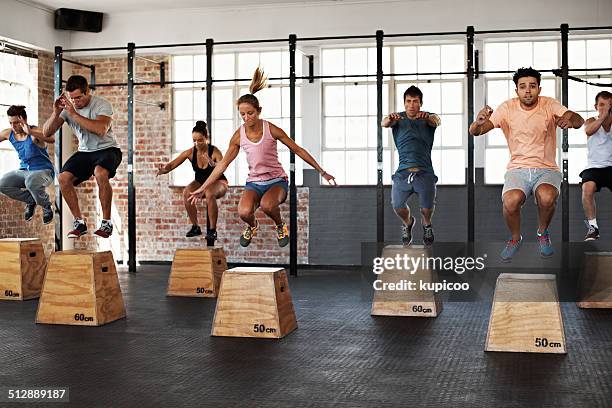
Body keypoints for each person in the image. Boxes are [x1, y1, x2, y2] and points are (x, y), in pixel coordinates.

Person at [189, 68, 336, 247]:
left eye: (250, 113)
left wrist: (323, 172)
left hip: (276, 181)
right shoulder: (238, 136)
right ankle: (252, 226)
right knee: (243, 212)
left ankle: (280, 226)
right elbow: (222, 166)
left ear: (258, 111)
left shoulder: (271, 129)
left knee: (267, 206)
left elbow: (298, 149)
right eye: (242, 114)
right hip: (254, 183)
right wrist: (203, 187)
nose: (246, 117)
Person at [469, 67, 584, 261]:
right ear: (517, 90)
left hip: (546, 169)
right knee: (511, 201)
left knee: (547, 197)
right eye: (522, 87)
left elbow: (578, 120)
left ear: (539, 88)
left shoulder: (549, 105)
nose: (528, 90)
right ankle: (515, 238)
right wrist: (478, 122)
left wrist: (568, 118)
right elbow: (476, 132)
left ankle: (542, 232)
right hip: (518, 169)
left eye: (532, 86)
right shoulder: (507, 108)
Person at [42, 75, 122, 239]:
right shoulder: (68, 109)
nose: (76, 101)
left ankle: (106, 223)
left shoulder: (101, 104)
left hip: (108, 149)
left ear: (87, 92)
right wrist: (56, 112)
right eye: (72, 98)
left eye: (79, 97)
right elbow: (46, 132)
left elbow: (101, 129)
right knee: (63, 178)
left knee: (100, 173)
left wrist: (74, 114)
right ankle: (79, 222)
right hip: (85, 152)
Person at [381, 85, 440, 247]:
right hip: (403, 173)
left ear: (420, 103)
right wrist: (389, 119)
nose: (412, 105)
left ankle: (426, 224)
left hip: (425, 173)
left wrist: (427, 118)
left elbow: (436, 121)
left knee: (426, 209)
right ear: (404, 103)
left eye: (415, 101)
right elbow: (384, 123)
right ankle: (408, 223)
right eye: (408, 101)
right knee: (397, 205)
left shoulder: (428, 117)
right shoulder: (397, 119)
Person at [157, 121, 228, 240]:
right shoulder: (190, 153)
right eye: (194, 141)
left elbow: (222, 168)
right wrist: (164, 170)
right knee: (186, 192)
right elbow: (172, 164)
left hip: (218, 182)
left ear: (207, 138)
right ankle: (195, 227)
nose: (197, 143)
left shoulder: (215, 152)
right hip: (200, 182)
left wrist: (214, 164)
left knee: (210, 192)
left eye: (200, 140)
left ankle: (212, 231)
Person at [0, 105, 55, 224]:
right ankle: (31, 200)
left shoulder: (34, 134)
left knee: (30, 181)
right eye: (10, 123)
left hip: (44, 172)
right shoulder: (9, 133)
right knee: (2, 184)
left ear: (23, 120)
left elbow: (51, 138)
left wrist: (30, 131)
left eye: (16, 123)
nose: (13, 126)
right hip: (24, 171)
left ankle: (46, 207)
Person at [580, 90, 612, 241]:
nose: (605, 108)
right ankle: (593, 228)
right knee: (587, 188)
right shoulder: (590, 121)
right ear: (596, 106)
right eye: (602, 105)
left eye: (609, 105)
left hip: (611, 167)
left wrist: (608, 118)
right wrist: (603, 116)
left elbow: (607, 128)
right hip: (594, 167)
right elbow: (589, 131)